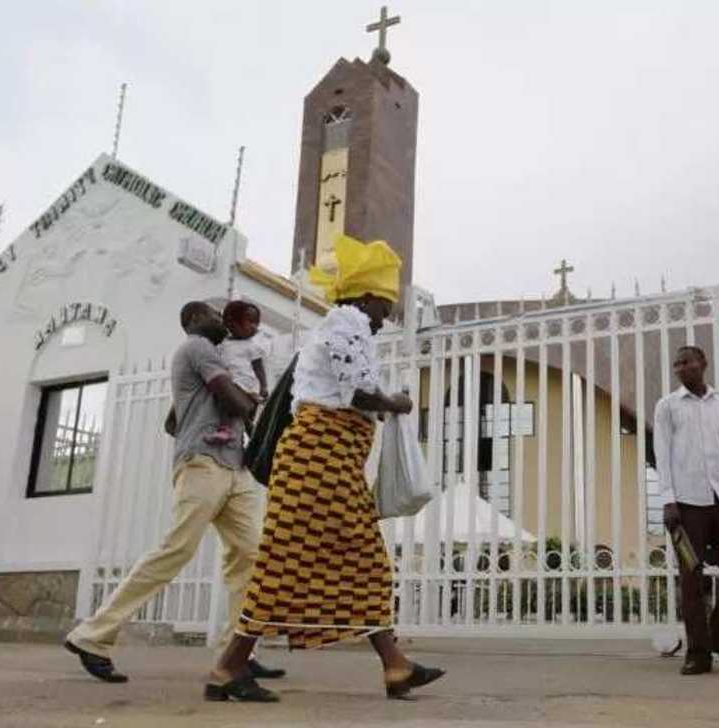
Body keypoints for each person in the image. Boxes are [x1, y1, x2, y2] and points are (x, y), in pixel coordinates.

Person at [206, 235, 445, 703]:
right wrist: (396, 402)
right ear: (369, 297)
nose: (386, 317)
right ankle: (228, 668)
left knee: (332, 562)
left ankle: (393, 665)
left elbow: (350, 389)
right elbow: (359, 393)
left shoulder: (344, 328)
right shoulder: (347, 322)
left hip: (325, 462)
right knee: (325, 561)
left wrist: (383, 404)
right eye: (385, 306)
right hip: (319, 460)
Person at [64, 301, 283, 683]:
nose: (222, 318)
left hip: (233, 466)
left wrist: (207, 411)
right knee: (176, 550)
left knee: (250, 557)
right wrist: (252, 399)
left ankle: (238, 654)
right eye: (213, 314)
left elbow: (171, 421)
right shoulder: (197, 347)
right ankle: (91, 636)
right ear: (193, 321)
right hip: (204, 464)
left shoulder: (216, 357)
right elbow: (234, 401)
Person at [654, 345, 719, 676]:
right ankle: (698, 652)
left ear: (703, 364)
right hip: (685, 505)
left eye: (687, 362)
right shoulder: (667, 406)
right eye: (676, 363)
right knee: (691, 576)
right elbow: (662, 453)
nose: (681, 367)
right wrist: (668, 499)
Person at [206, 300, 268, 445]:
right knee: (230, 408)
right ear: (231, 322)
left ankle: (229, 431)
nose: (255, 327)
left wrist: (264, 386)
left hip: (247, 385)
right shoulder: (222, 345)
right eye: (250, 322)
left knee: (237, 407)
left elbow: (258, 367)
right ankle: (249, 434)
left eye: (256, 323)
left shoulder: (251, 346)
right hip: (233, 383)